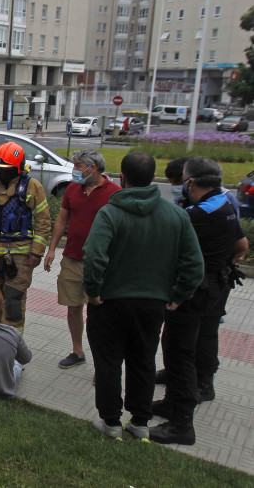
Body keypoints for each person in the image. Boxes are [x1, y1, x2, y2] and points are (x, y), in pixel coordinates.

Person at [82, 152, 204, 442]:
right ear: (153, 178)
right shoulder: (176, 216)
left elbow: (94, 257)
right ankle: (139, 422)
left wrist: (94, 291)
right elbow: (194, 266)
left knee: (108, 362)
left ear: (122, 177)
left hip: (109, 303)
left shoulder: (110, 214)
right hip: (152, 305)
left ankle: (111, 422)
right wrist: (178, 295)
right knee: (143, 361)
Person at [150, 158, 248, 445]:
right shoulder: (225, 202)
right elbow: (241, 245)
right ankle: (179, 399)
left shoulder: (197, 214)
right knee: (199, 343)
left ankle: (181, 424)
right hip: (214, 285)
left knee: (180, 353)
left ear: (190, 182)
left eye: (181, 179)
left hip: (192, 291)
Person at [42, 150, 120, 369]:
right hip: (72, 258)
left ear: (92, 168)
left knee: (101, 312)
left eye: (77, 166)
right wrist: (52, 250)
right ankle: (77, 351)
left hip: (102, 263)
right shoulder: (73, 189)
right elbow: (61, 220)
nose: (74, 170)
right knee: (73, 306)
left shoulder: (114, 193)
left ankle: (102, 362)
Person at [0, 142, 51, 332]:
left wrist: (37, 253)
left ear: (18, 167)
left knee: (13, 300)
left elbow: (43, 221)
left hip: (21, 256)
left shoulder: (33, 187)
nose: (1, 172)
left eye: (6, 169)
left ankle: (13, 346)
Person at [165, 156, 241, 217]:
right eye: (171, 182)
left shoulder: (225, 199)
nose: (173, 186)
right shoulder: (183, 198)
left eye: (177, 183)